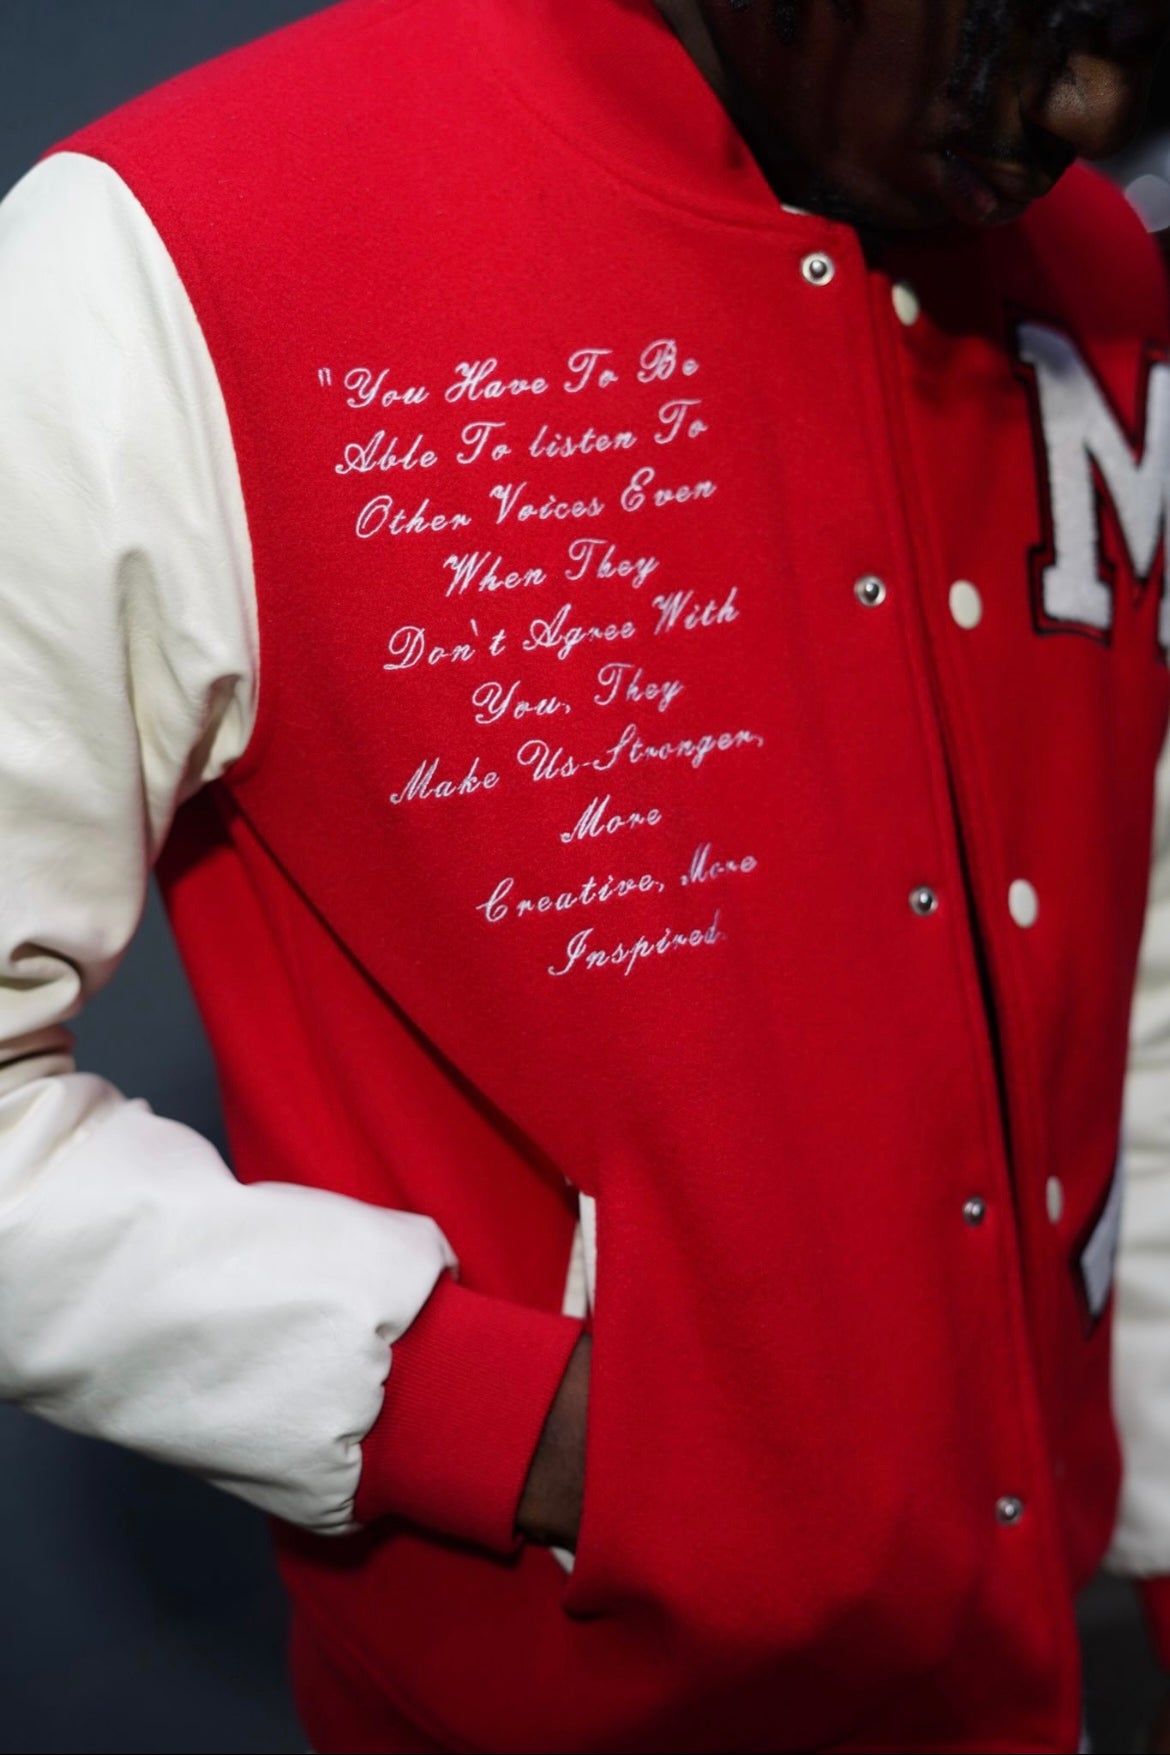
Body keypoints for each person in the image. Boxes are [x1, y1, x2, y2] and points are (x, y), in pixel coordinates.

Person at [1, 0, 1169, 1748]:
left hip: (1032, 1677)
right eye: (1044, 8)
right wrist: (511, 1419)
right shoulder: (173, 243)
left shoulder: (1085, 260)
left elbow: (1120, 956)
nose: (1096, 107)